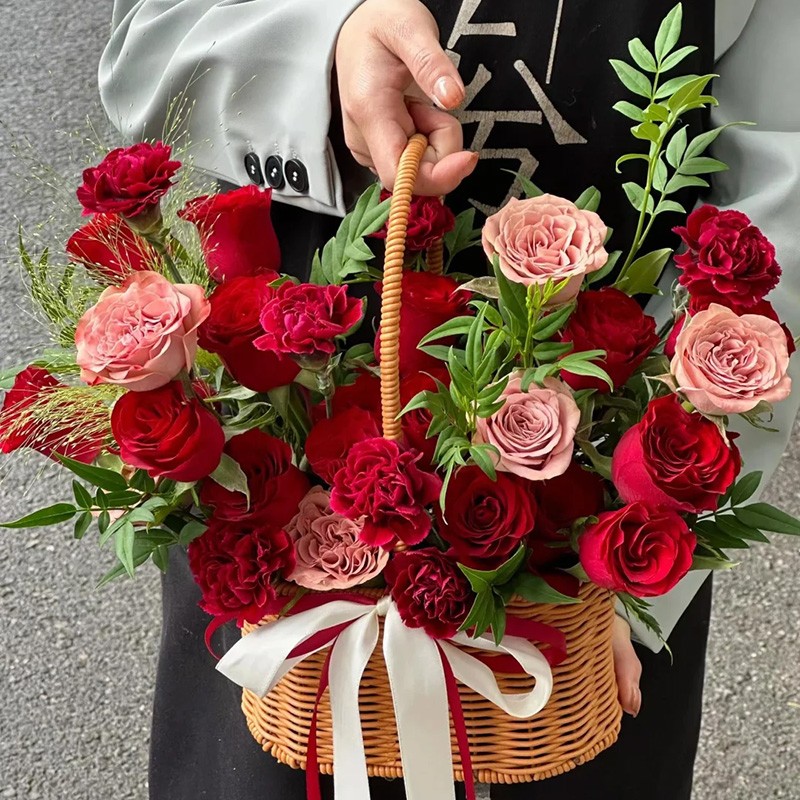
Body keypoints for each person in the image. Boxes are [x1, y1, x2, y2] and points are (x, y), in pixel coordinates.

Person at [98, 1, 800, 798]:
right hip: (281, 477)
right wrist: (324, 51)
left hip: (591, 525)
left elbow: (778, 175)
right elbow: (151, 42)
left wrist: (642, 568)